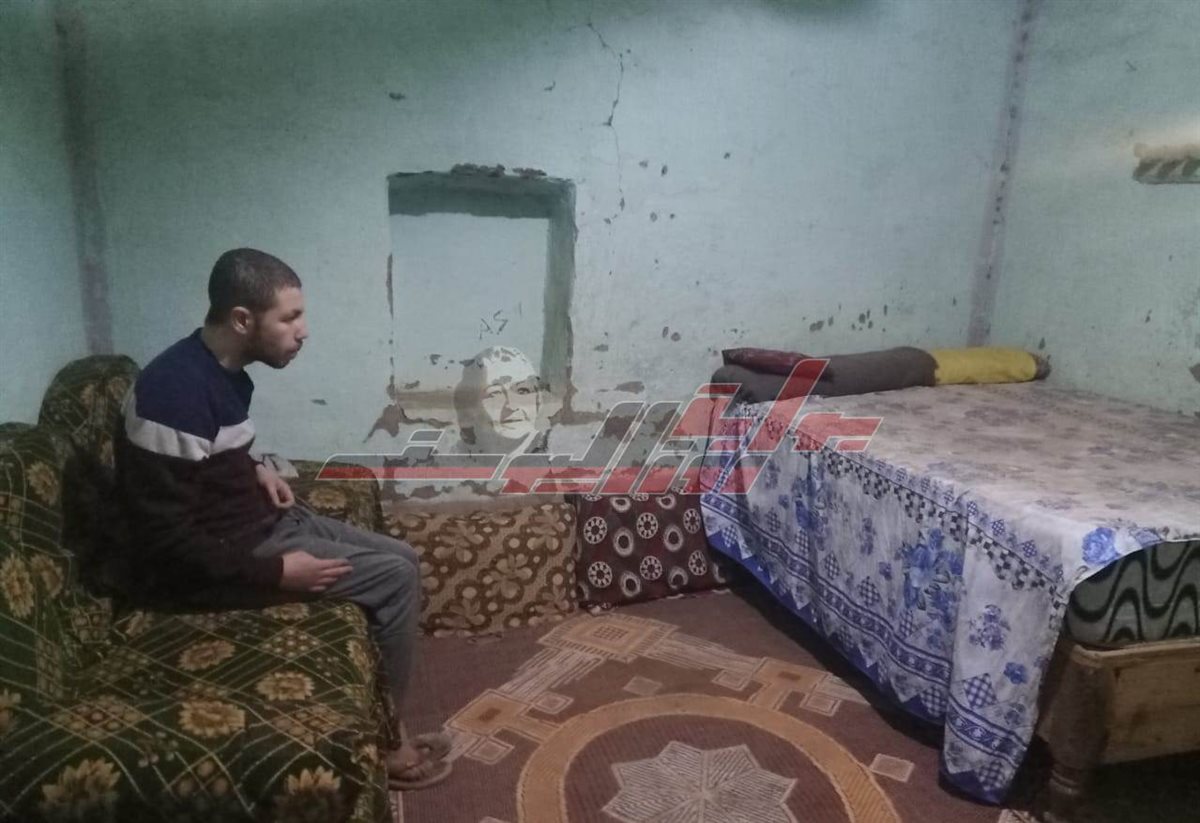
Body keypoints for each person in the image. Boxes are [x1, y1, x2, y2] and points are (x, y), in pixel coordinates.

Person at [114, 248, 451, 790]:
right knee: (395, 579)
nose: (303, 331)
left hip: (257, 522)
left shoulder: (223, 371)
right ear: (242, 319)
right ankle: (387, 744)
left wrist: (254, 469)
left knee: (404, 556)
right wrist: (278, 573)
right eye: (289, 318)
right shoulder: (171, 395)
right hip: (221, 562)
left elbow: (207, 458)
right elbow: (165, 541)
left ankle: (383, 717)